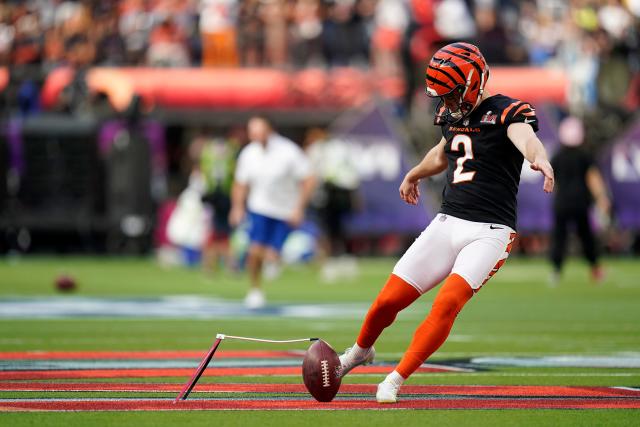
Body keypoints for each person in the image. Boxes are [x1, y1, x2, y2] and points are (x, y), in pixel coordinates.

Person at [338, 42, 555, 403]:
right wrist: (414, 173)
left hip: (490, 231)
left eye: (452, 94)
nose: (448, 103)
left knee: (447, 304)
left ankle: (395, 377)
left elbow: (527, 140)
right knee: (386, 303)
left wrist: (540, 160)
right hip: (447, 221)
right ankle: (361, 350)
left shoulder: (507, 111)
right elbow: (443, 152)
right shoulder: (451, 114)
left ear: (472, 81)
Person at [229, 117, 315, 308]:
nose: (255, 135)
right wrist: (237, 207)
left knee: (271, 253)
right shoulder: (249, 153)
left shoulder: (288, 151)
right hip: (259, 208)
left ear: (269, 130)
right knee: (254, 250)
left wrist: (299, 208)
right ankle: (255, 290)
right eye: (252, 131)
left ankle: (272, 260)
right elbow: (241, 183)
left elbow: (309, 179)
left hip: (285, 210)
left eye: (258, 130)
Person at [550, 116, 610, 284]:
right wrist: (602, 198)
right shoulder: (585, 156)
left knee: (559, 237)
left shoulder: (557, 156)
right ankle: (595, 269)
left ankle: (556, 271)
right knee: (586, 237)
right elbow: (593, 179)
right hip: (580, 203)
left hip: (561, 203)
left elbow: (551, 180)